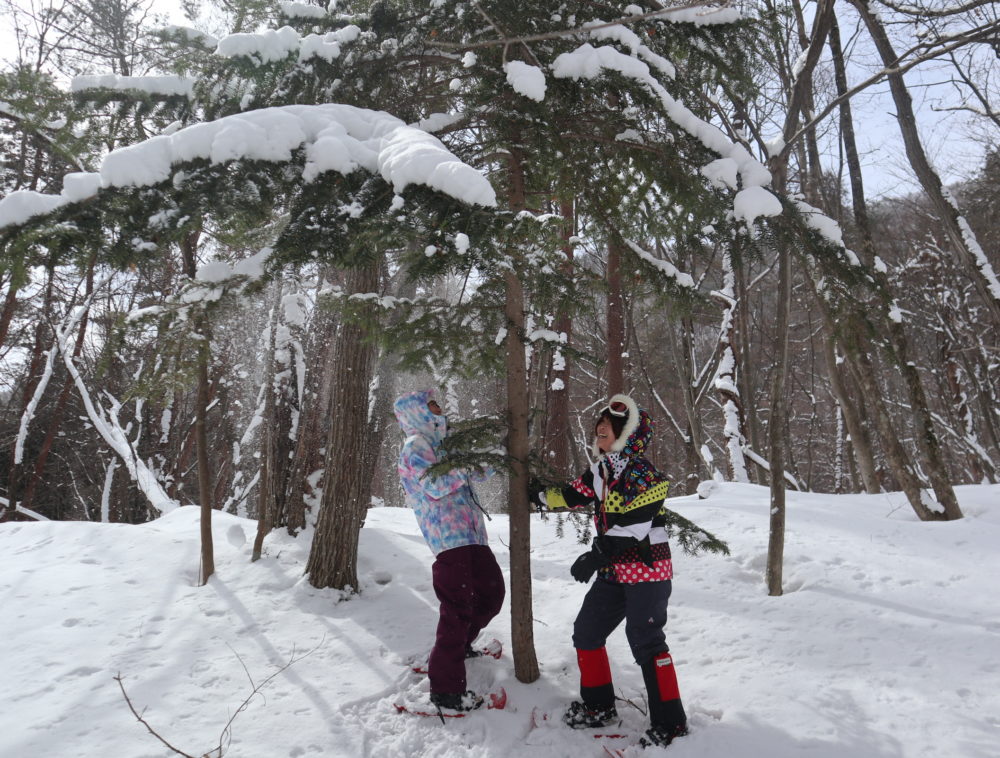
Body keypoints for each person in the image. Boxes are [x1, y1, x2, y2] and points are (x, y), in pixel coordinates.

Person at [530, 393, 688, 748]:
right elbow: (573, 495)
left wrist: (596, 554)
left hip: (647, 572)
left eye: (604, 434)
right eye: (597, 433)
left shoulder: (646, 474)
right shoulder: (602, 471)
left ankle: (672, 723)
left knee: (646, 641)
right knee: (587, 631)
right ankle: (598, 707)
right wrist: (540, 496)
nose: (597, 440)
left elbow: (636, 523)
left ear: (627, 435)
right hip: (615, 572)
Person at [393, 389, 505, 713]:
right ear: (417, 413)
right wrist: (465, 466)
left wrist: (495, 455)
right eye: (432, 405)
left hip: (471, 534)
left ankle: (456, 648)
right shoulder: (415, 446)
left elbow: (479, 472)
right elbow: (435, 485)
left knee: (491, 594)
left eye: (438, 403)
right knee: (456, 608)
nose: (439, 408)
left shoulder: (445, 445)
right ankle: (446, 691)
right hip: (447, 537)